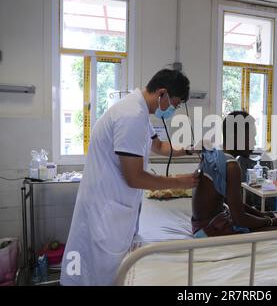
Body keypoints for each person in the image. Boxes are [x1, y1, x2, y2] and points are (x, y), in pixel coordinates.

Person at [61, 69, 200, 286]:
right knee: (96, 275)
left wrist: (191, 150)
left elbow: (159, 146)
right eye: (175, 103)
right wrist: (181, 181)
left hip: (113, 208)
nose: (174, 109)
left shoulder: (139, 113)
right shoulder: (131, 116)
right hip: (105, 213)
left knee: (103, 273)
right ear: (162, 93)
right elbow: (135, 178)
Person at [191, 111, 277, 238]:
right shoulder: (231, 165)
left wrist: (261, 214)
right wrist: (271, 221)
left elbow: (232, 202)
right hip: (211, 231)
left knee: (274, 225)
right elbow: (239, 218)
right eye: (251, 137)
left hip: (201, 228)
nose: (254, 142)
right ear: (234, 137)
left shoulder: (215, 155)